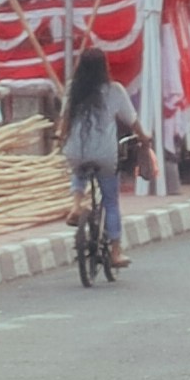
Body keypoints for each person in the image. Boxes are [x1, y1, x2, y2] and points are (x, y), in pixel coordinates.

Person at [59, 48, 141, 273]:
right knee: (111, 200)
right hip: (105, 154)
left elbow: (64, 122)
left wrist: (61, 139)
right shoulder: (114, 91)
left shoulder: (72, 89)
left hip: (76, 151)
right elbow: (133, 121)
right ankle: (115, 252)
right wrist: (145, 138)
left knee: (78, 170)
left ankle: (76, 206)